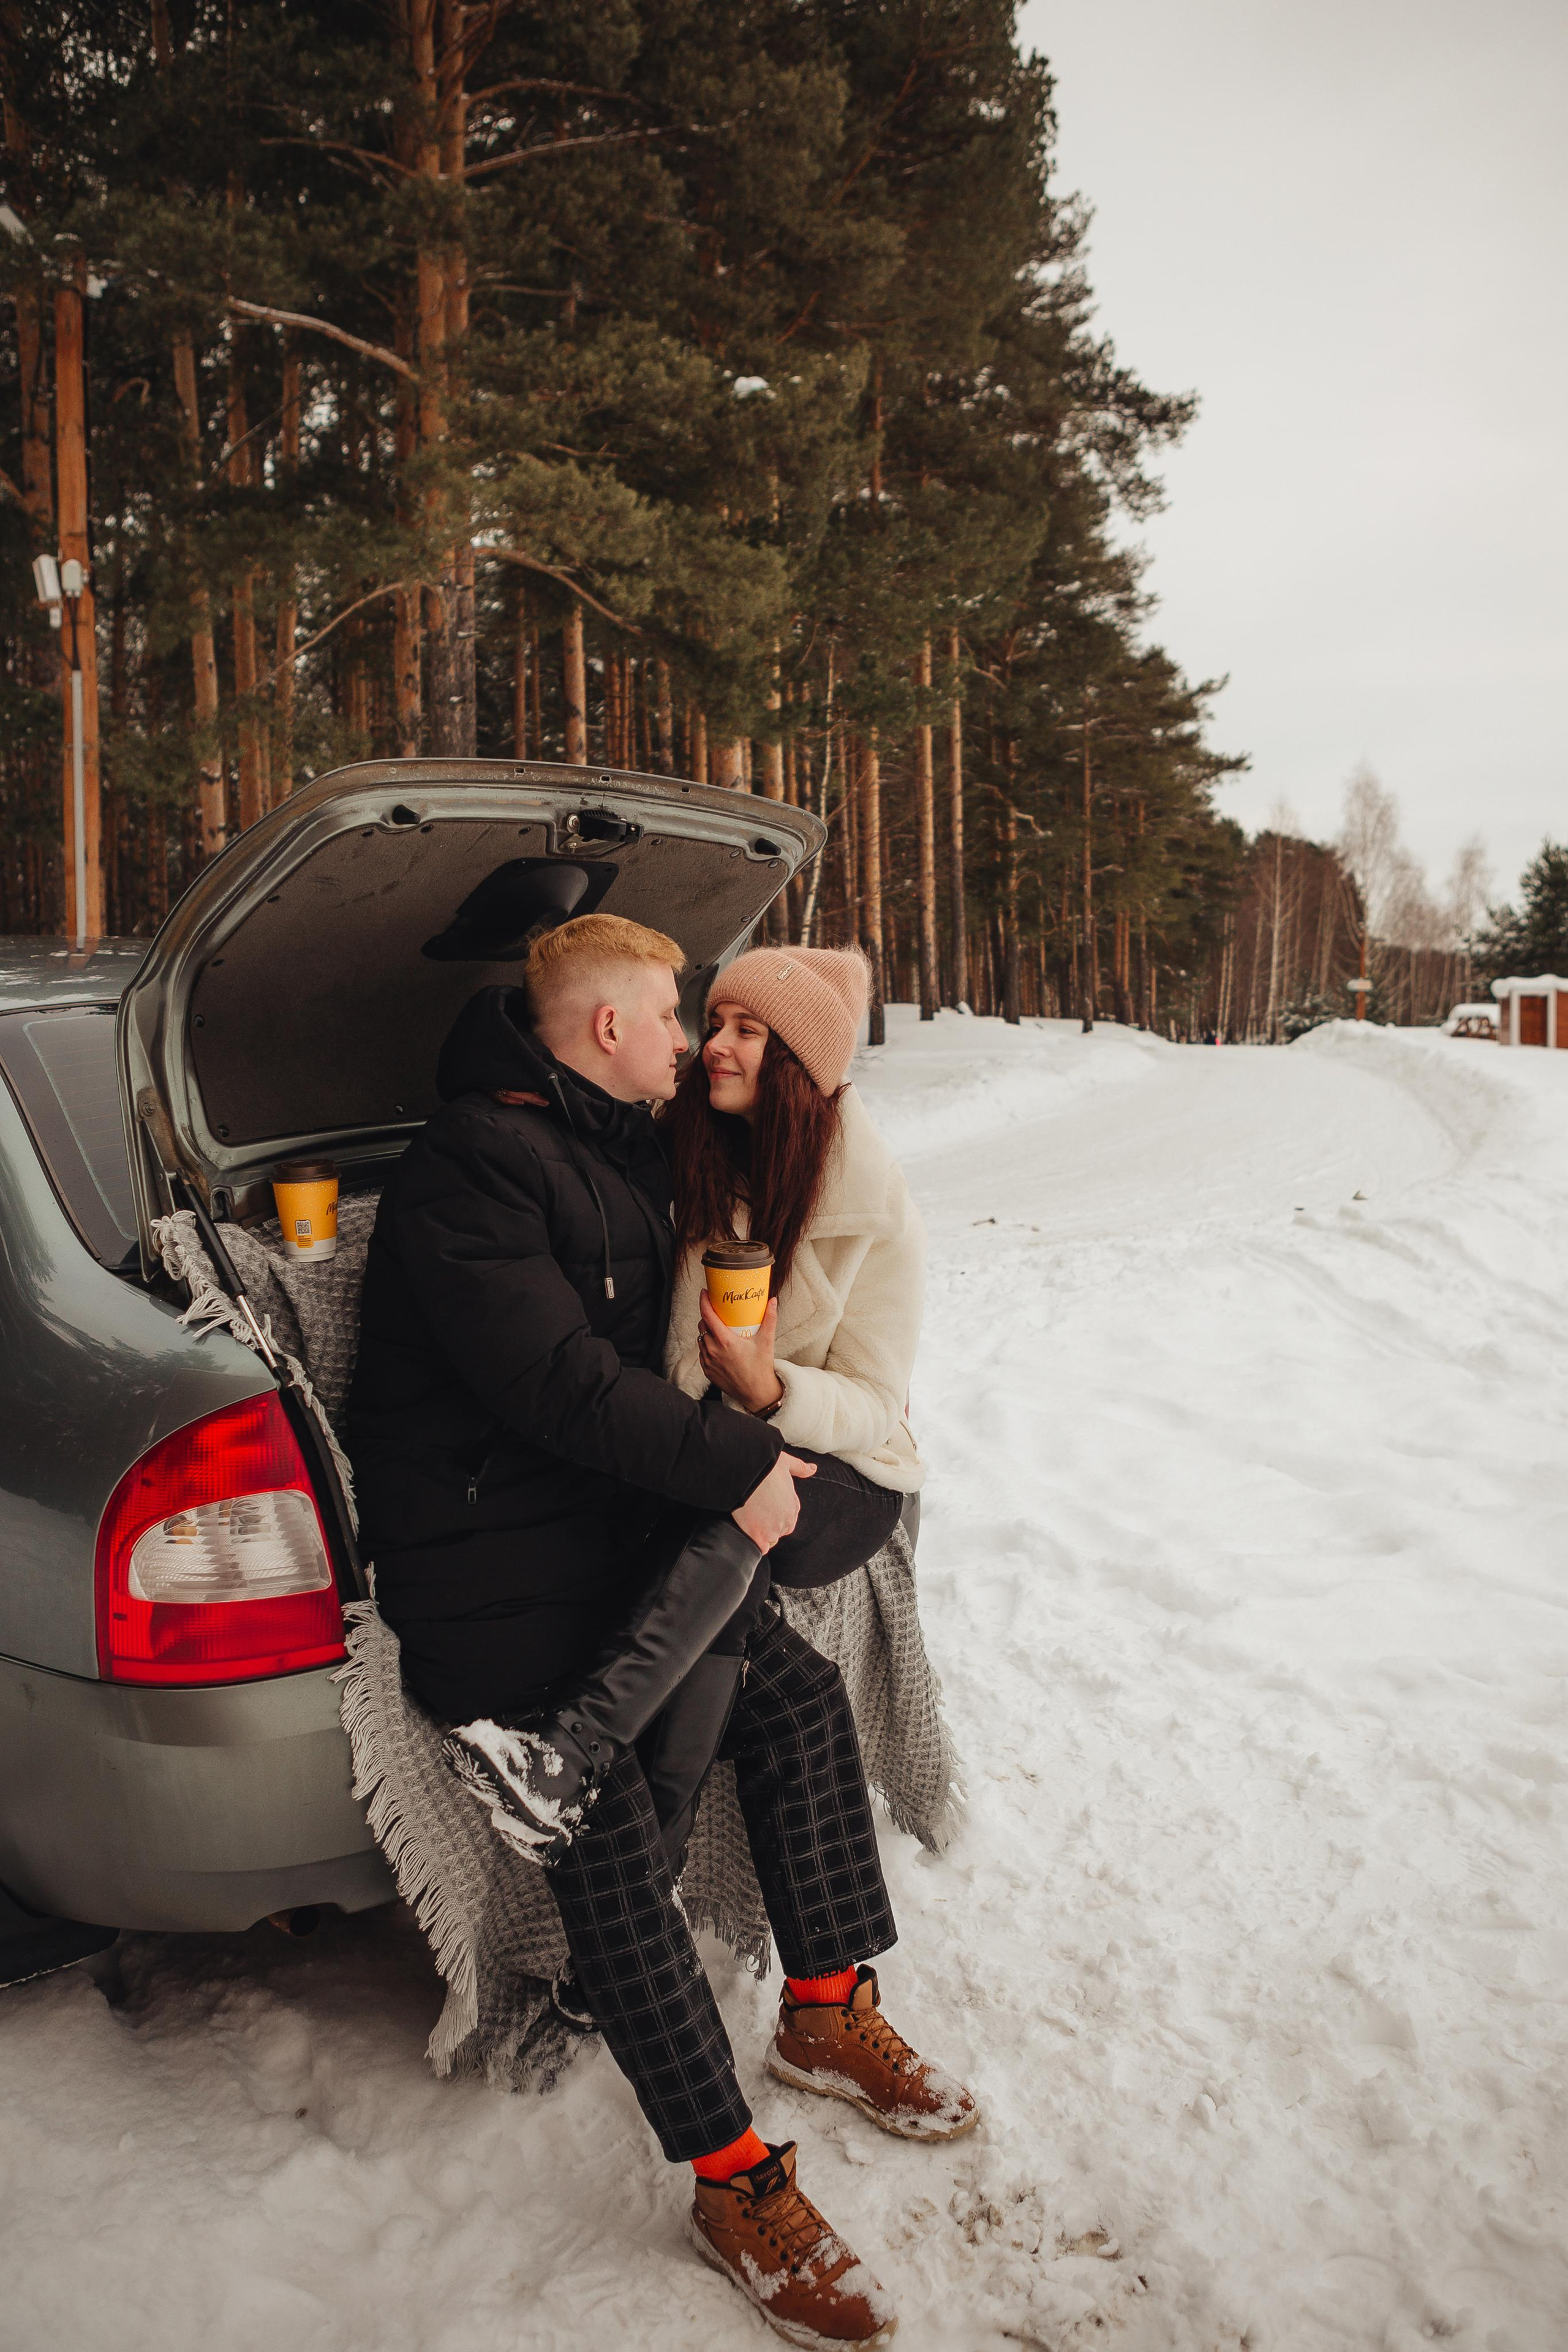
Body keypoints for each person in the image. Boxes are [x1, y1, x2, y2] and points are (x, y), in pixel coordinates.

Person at [347, 914, 973, 2350]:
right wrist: (744, 1472)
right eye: (679, 1019)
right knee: (607, 1823)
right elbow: (557, 1385)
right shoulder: (469, 1166)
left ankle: (823, 2005)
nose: (695, 1045)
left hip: (607, 1534)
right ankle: (731, 2175)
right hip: (482, 1563)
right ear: (610, 1031)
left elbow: (784, 1173)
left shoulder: (625, 1146)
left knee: (795, 1699)